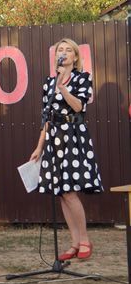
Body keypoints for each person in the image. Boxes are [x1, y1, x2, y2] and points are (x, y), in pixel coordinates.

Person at [29, 38, 102, 260]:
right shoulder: (48, 83)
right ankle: (74, 242)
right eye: (60, 50)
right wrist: (39, 146)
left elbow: (79, 106)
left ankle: (85, 240)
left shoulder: (83, 78)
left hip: (73, 135)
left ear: (75, 57)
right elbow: (46, 117)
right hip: (54, 138)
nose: (63, 53)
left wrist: (63, 87)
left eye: (68, 50)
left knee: (70, 192)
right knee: (62, 193)